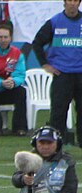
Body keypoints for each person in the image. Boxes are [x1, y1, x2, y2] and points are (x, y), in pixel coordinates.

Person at [31, 0, 82, 147]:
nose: (72, 3)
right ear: (64, 2)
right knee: (58, 112)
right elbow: (37, 42)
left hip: (81, 73)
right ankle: (56, 144)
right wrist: (45, 64)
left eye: (75, 0)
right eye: (69, 0)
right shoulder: (54, 22)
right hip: (62, 74)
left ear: (79, 3)